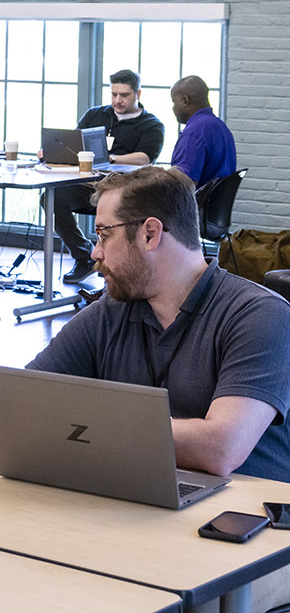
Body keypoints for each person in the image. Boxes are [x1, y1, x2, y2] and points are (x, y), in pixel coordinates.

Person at [29, 168, 290, 477]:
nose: (96, 252)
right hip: (139, 490)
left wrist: (91, 425)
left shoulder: (260, 315)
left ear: (150, 234)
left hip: (239, 512)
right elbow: (23, 401)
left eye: (104, 235)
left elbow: (221, 449)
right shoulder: (112, 310)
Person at [52, 68, 166, 284]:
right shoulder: (95, 115)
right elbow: (75, 144)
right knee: (54, 197)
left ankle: (114, 265)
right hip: (89, 187)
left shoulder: (151, 124)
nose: (117, 100)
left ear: (137, 95)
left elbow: (145, 158)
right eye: (114, 95)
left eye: (124, 95)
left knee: (117, 210)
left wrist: (111, 158)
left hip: (126, 191)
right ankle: (83, 256)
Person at [169, 75, 236, 188]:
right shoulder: (220, 127)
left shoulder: (194, 133)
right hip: (215, 204)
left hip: (195, 204)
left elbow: (182, 187)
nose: (173, 108)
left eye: (174, 102)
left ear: (185, 101)